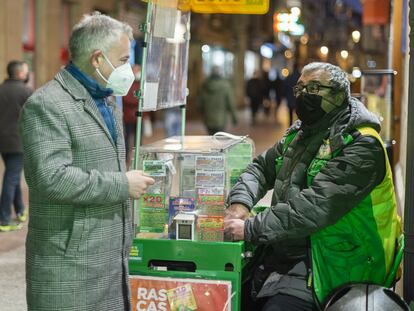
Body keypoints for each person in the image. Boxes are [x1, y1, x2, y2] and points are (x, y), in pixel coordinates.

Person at [224, 62, 401, 310]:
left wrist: (251, 227)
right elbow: (261, 168)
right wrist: (240, 203)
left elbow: (315, 206)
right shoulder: (300, 134)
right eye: (300, 88)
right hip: (290, 253)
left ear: (339, 95)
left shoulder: (361, 145)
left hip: (336, 260)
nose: (304, 95)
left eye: (315, 88)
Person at [19, 12, 155, 311]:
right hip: (70, 264)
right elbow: (52, 178)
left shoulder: (106, 99)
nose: (127, 69)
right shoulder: (47, 105)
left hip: (109, 258)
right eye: (121, 60)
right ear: (97, 59)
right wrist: (123, 184)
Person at [0, 60, 32, 232]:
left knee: (12, 176)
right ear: (20, 74)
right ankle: (3, 219)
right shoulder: (26, 91)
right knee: (11, 178)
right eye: (26, 71)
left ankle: (20, 210)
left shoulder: (1, 89)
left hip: (3, 142)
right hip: (18, 141)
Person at [197, 66, 237, 135]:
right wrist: (234, 117)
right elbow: (230, 103)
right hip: (221, 119)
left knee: (210, 138)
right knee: (220, 139)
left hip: (208, 118)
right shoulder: (226, 86)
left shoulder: (205, 85)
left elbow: (199, 102)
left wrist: (201, 113)